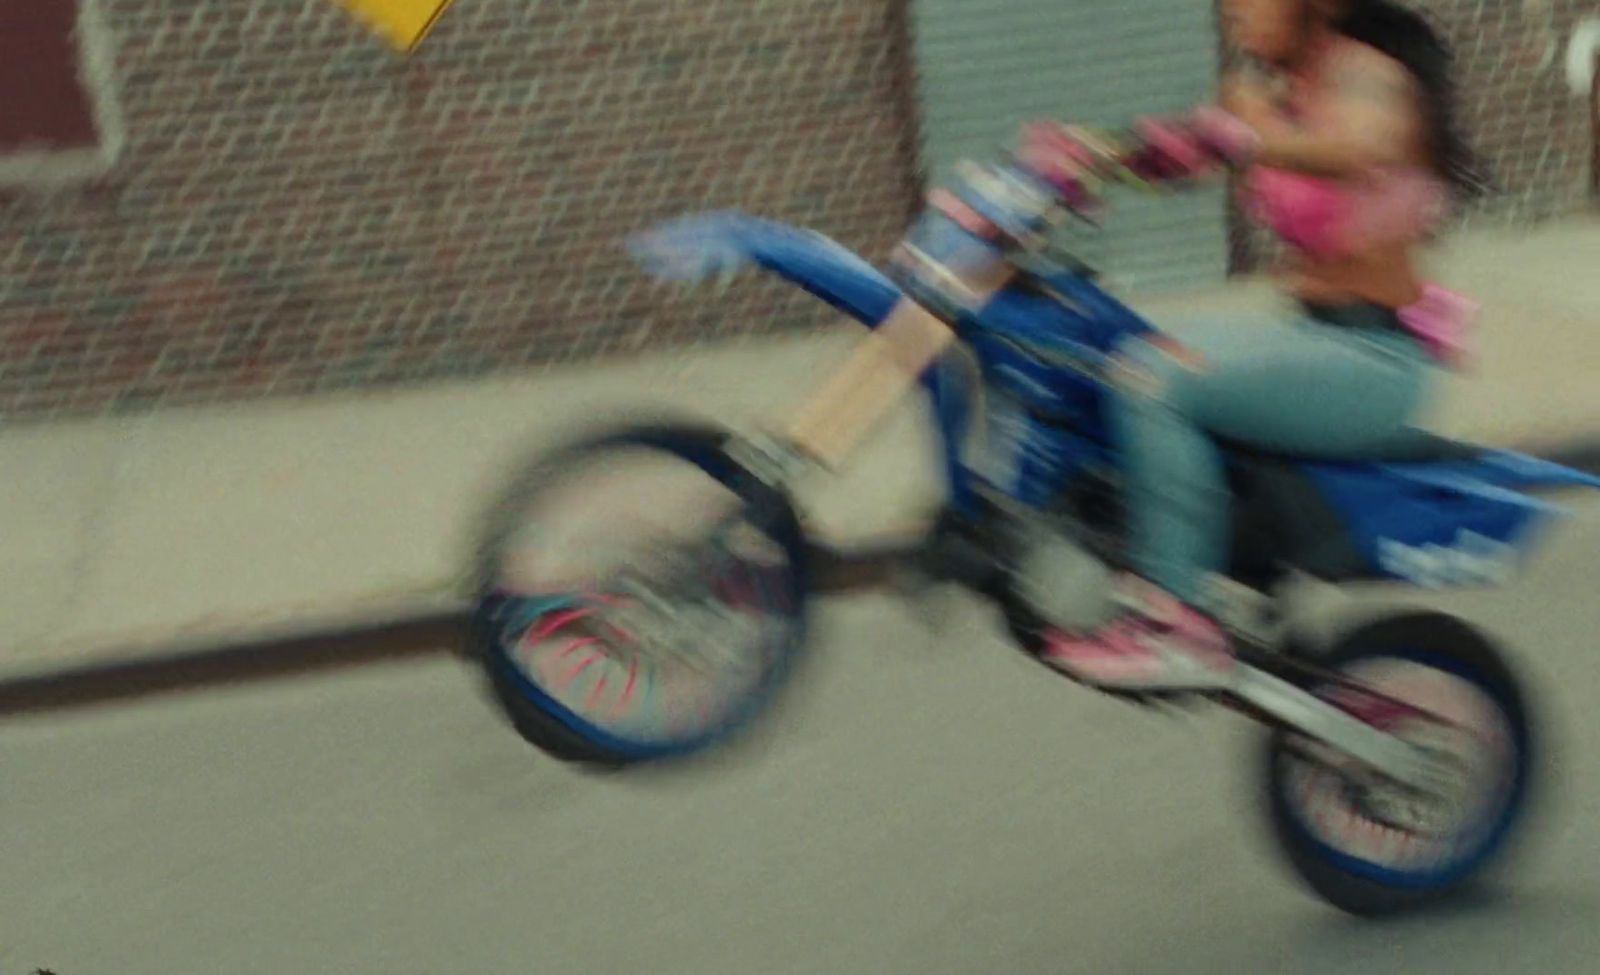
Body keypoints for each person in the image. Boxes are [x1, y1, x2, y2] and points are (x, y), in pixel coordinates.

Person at [1023, 0, 1486, 688]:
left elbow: (1361, 147)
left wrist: (1249, 140)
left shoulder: (1367, 77)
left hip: (1375, 361)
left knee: (1155, 378)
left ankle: (1175, 620)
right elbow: (1178, 154)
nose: (1233, 10)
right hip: (1308, 334)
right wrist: (1088, 159)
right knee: (1105, 349)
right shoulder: (1257, 95)